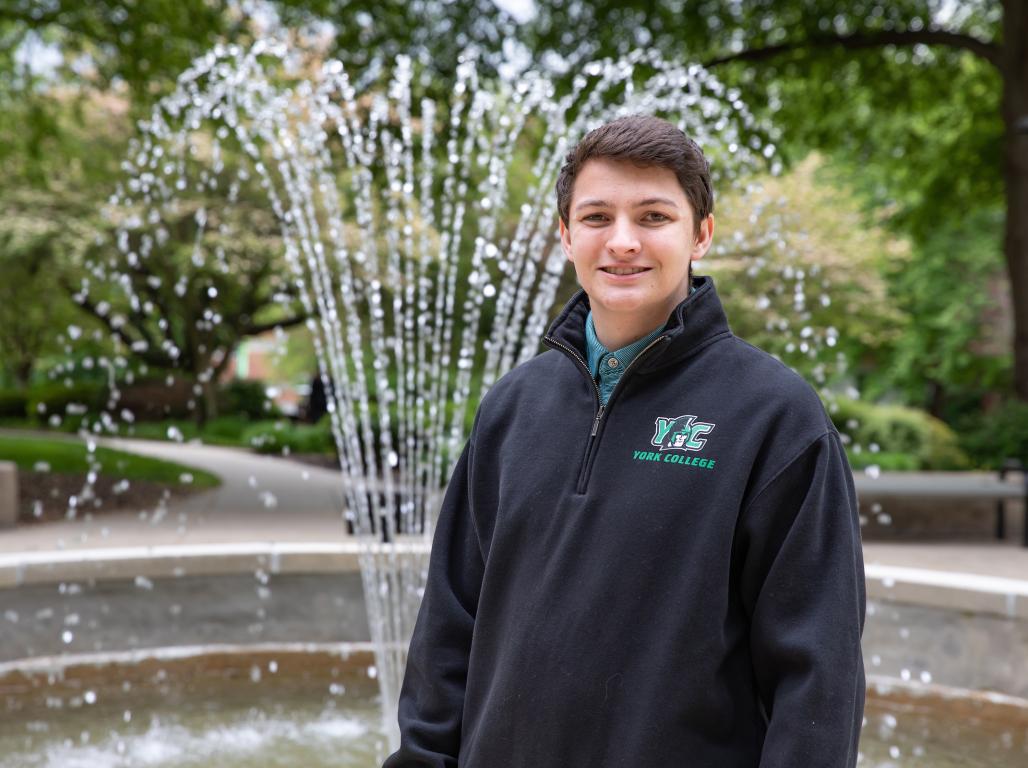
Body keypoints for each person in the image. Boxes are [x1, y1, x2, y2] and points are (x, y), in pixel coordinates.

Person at [383, 115, 866, 768]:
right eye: (596, 217)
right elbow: (448, 628)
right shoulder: (511, 408)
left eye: (654, 217)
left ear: (701, 234)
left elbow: (817, 678)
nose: (622, 242)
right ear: (565, 235)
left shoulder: (777, 418)